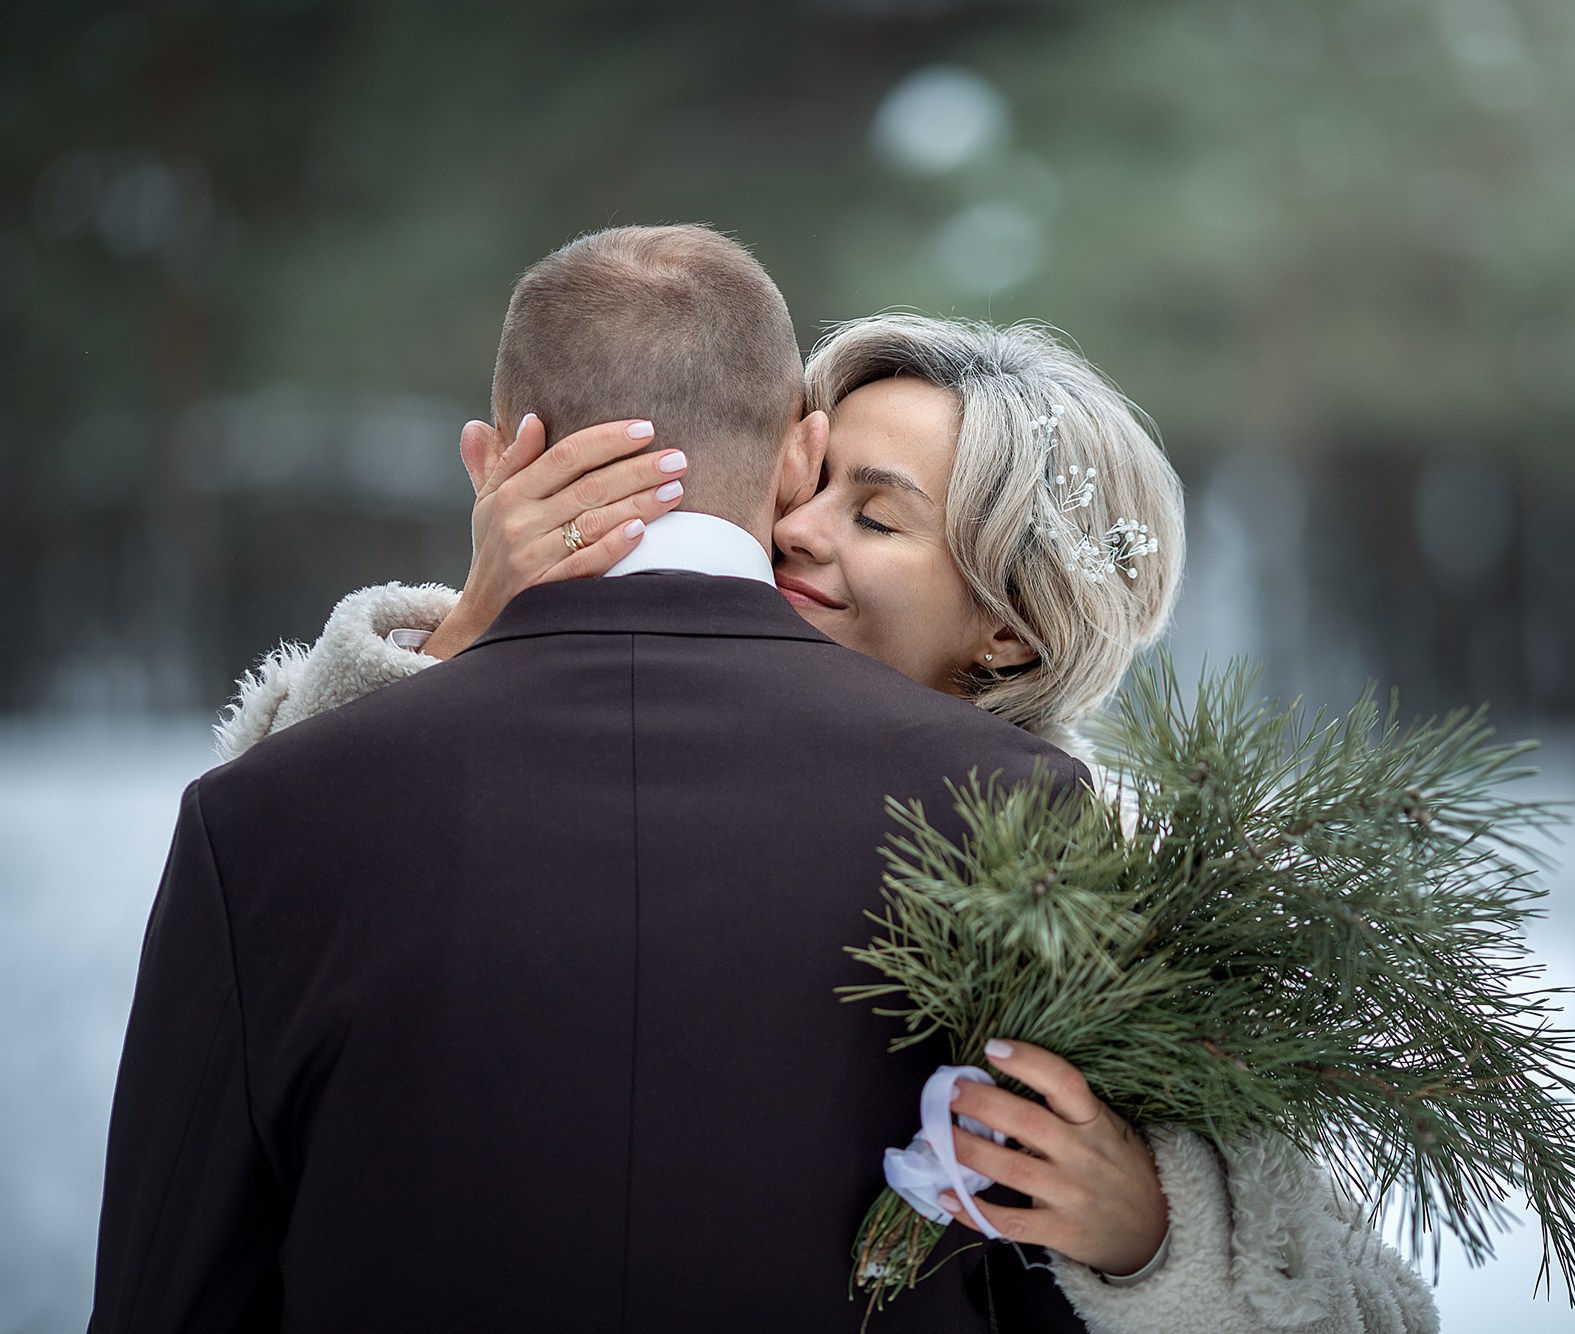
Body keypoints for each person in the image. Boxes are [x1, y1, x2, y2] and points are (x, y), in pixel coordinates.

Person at [181, 230, 1439, 1333]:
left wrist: (1152, 1233)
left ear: (1008, 627)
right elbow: (293, 896)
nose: (790, 526)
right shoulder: (501, 743)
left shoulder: (1098, 881)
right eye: (809, 477)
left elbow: (1368, 1309)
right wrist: (468, 630)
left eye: (874, 517)